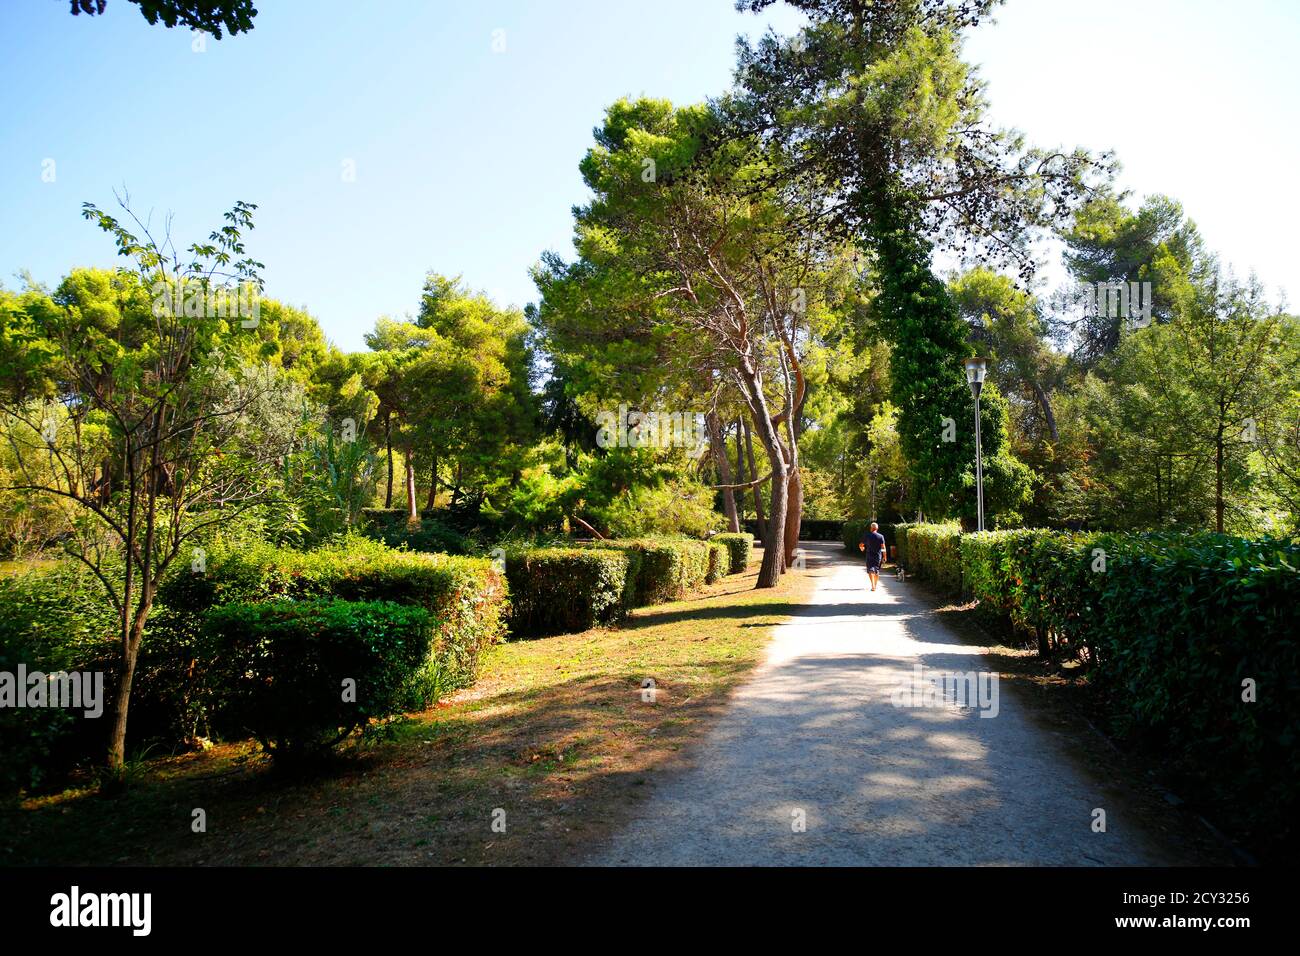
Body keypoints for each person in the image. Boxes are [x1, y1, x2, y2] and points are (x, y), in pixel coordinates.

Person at [858, 521, 886, 592]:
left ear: (871, 528)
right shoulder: (881, 536)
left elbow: (861, 544)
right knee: (876, 570)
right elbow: (883, 548)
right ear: (877, 528)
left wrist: (862, 548)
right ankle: (875, 585)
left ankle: (873, 585)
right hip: (878, 556)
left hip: (869, 555)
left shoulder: (867, 535)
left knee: (870, 569)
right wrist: (884, 556)